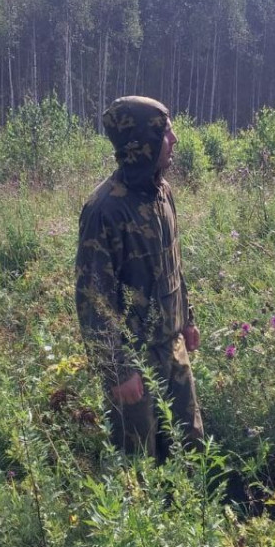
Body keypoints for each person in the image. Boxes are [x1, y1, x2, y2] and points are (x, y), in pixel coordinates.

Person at [75, 96, 204, 460]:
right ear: (140, 143)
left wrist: (187, 319)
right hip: (133, 360)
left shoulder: (163, 194)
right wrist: (118, 371)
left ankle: (186, 514)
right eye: (165, 131)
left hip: (172, 346)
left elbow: (173, 265)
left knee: (188, 444)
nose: (175, 139)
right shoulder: (105, 209)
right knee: (138, 460)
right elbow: (92, 300)